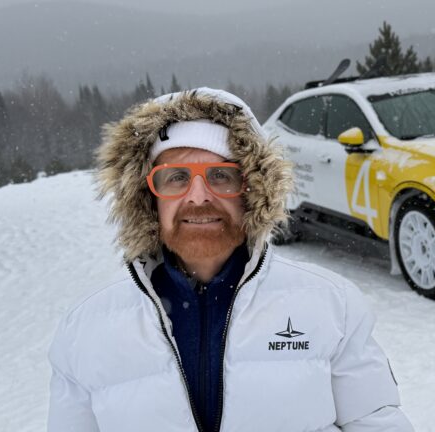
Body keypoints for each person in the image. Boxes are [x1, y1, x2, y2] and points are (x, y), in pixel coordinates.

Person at [48, 88, 414, 432]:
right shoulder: (84, 332)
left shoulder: (332, 306)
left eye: (221, 176)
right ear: (148, 199)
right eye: (175, 178)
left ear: (252, 193)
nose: (198, 197)